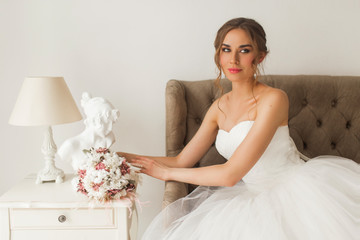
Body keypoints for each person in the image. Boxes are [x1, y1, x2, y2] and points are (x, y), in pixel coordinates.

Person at [119, 18, 360, 239]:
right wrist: (120, 159)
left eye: (244, 51)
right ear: (218, 55)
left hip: (294, 193)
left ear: (260, 57)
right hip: (250, 195)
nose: (233, 60)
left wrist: (166, 174)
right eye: (226, 50)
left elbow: (230, 174)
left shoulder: (274, 99)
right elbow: (182, 159)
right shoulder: (218, 108)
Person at [59, 92, 120, 170]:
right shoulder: (71, 145)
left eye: (112, 123)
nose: (110, 128)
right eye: (107, 123)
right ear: (94, 121)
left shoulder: (109, 139)